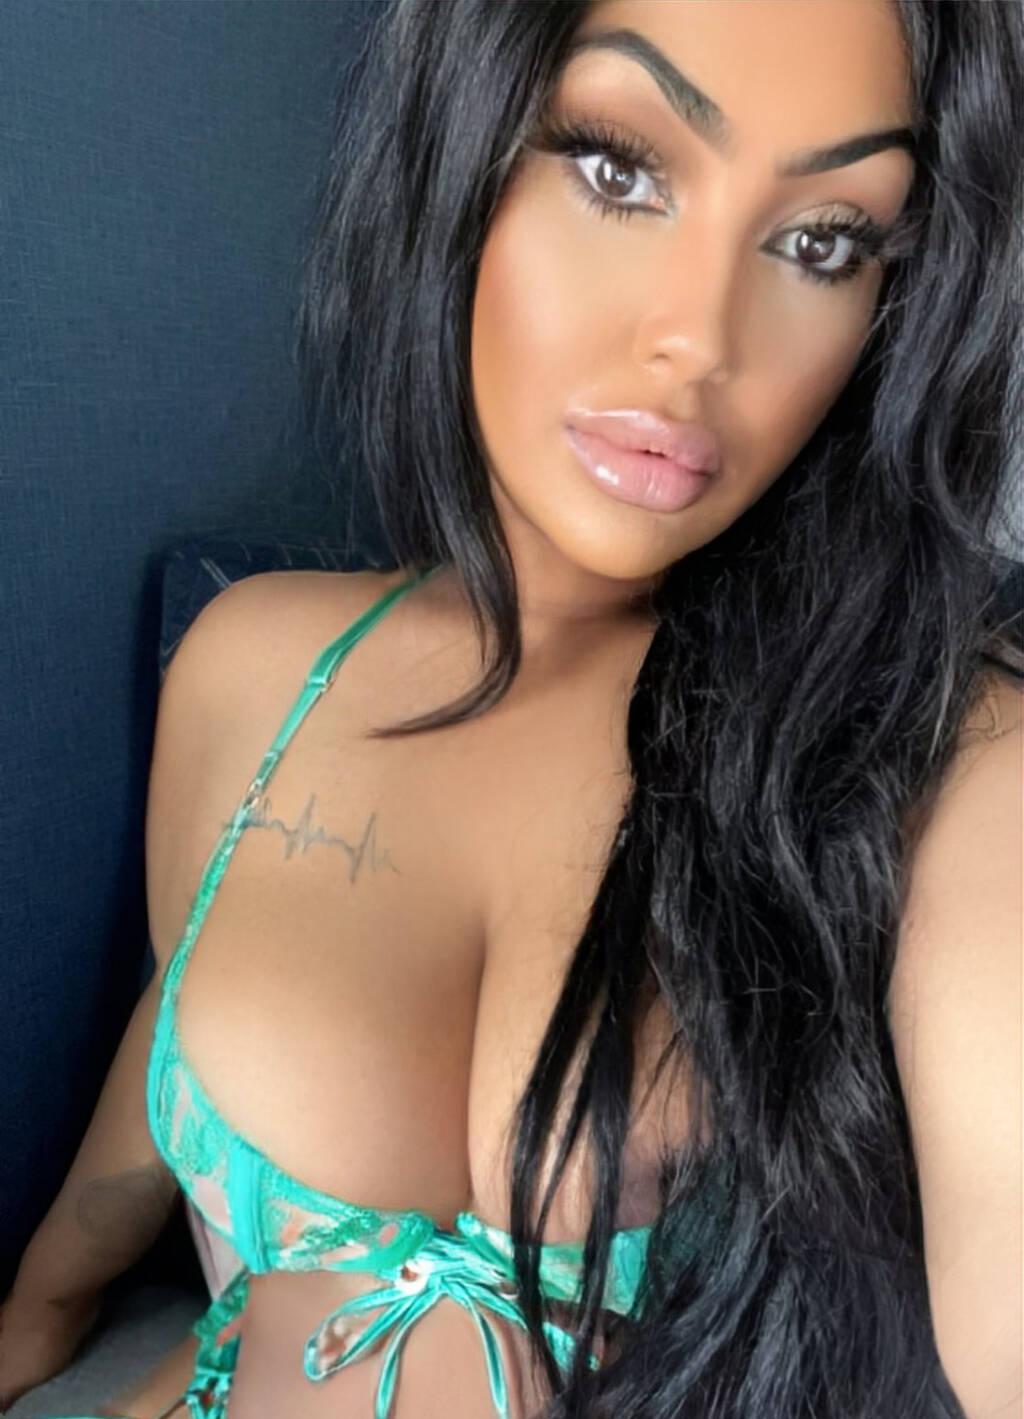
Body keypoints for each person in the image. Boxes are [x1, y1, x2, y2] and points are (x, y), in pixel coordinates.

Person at [2, 0, 1021, 1416]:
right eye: (617, 167)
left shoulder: (948, 768)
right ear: (460, 148)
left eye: (823, 241)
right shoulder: (252, 667)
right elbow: (183, 1028)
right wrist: (41, 1305)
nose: (696, 339)